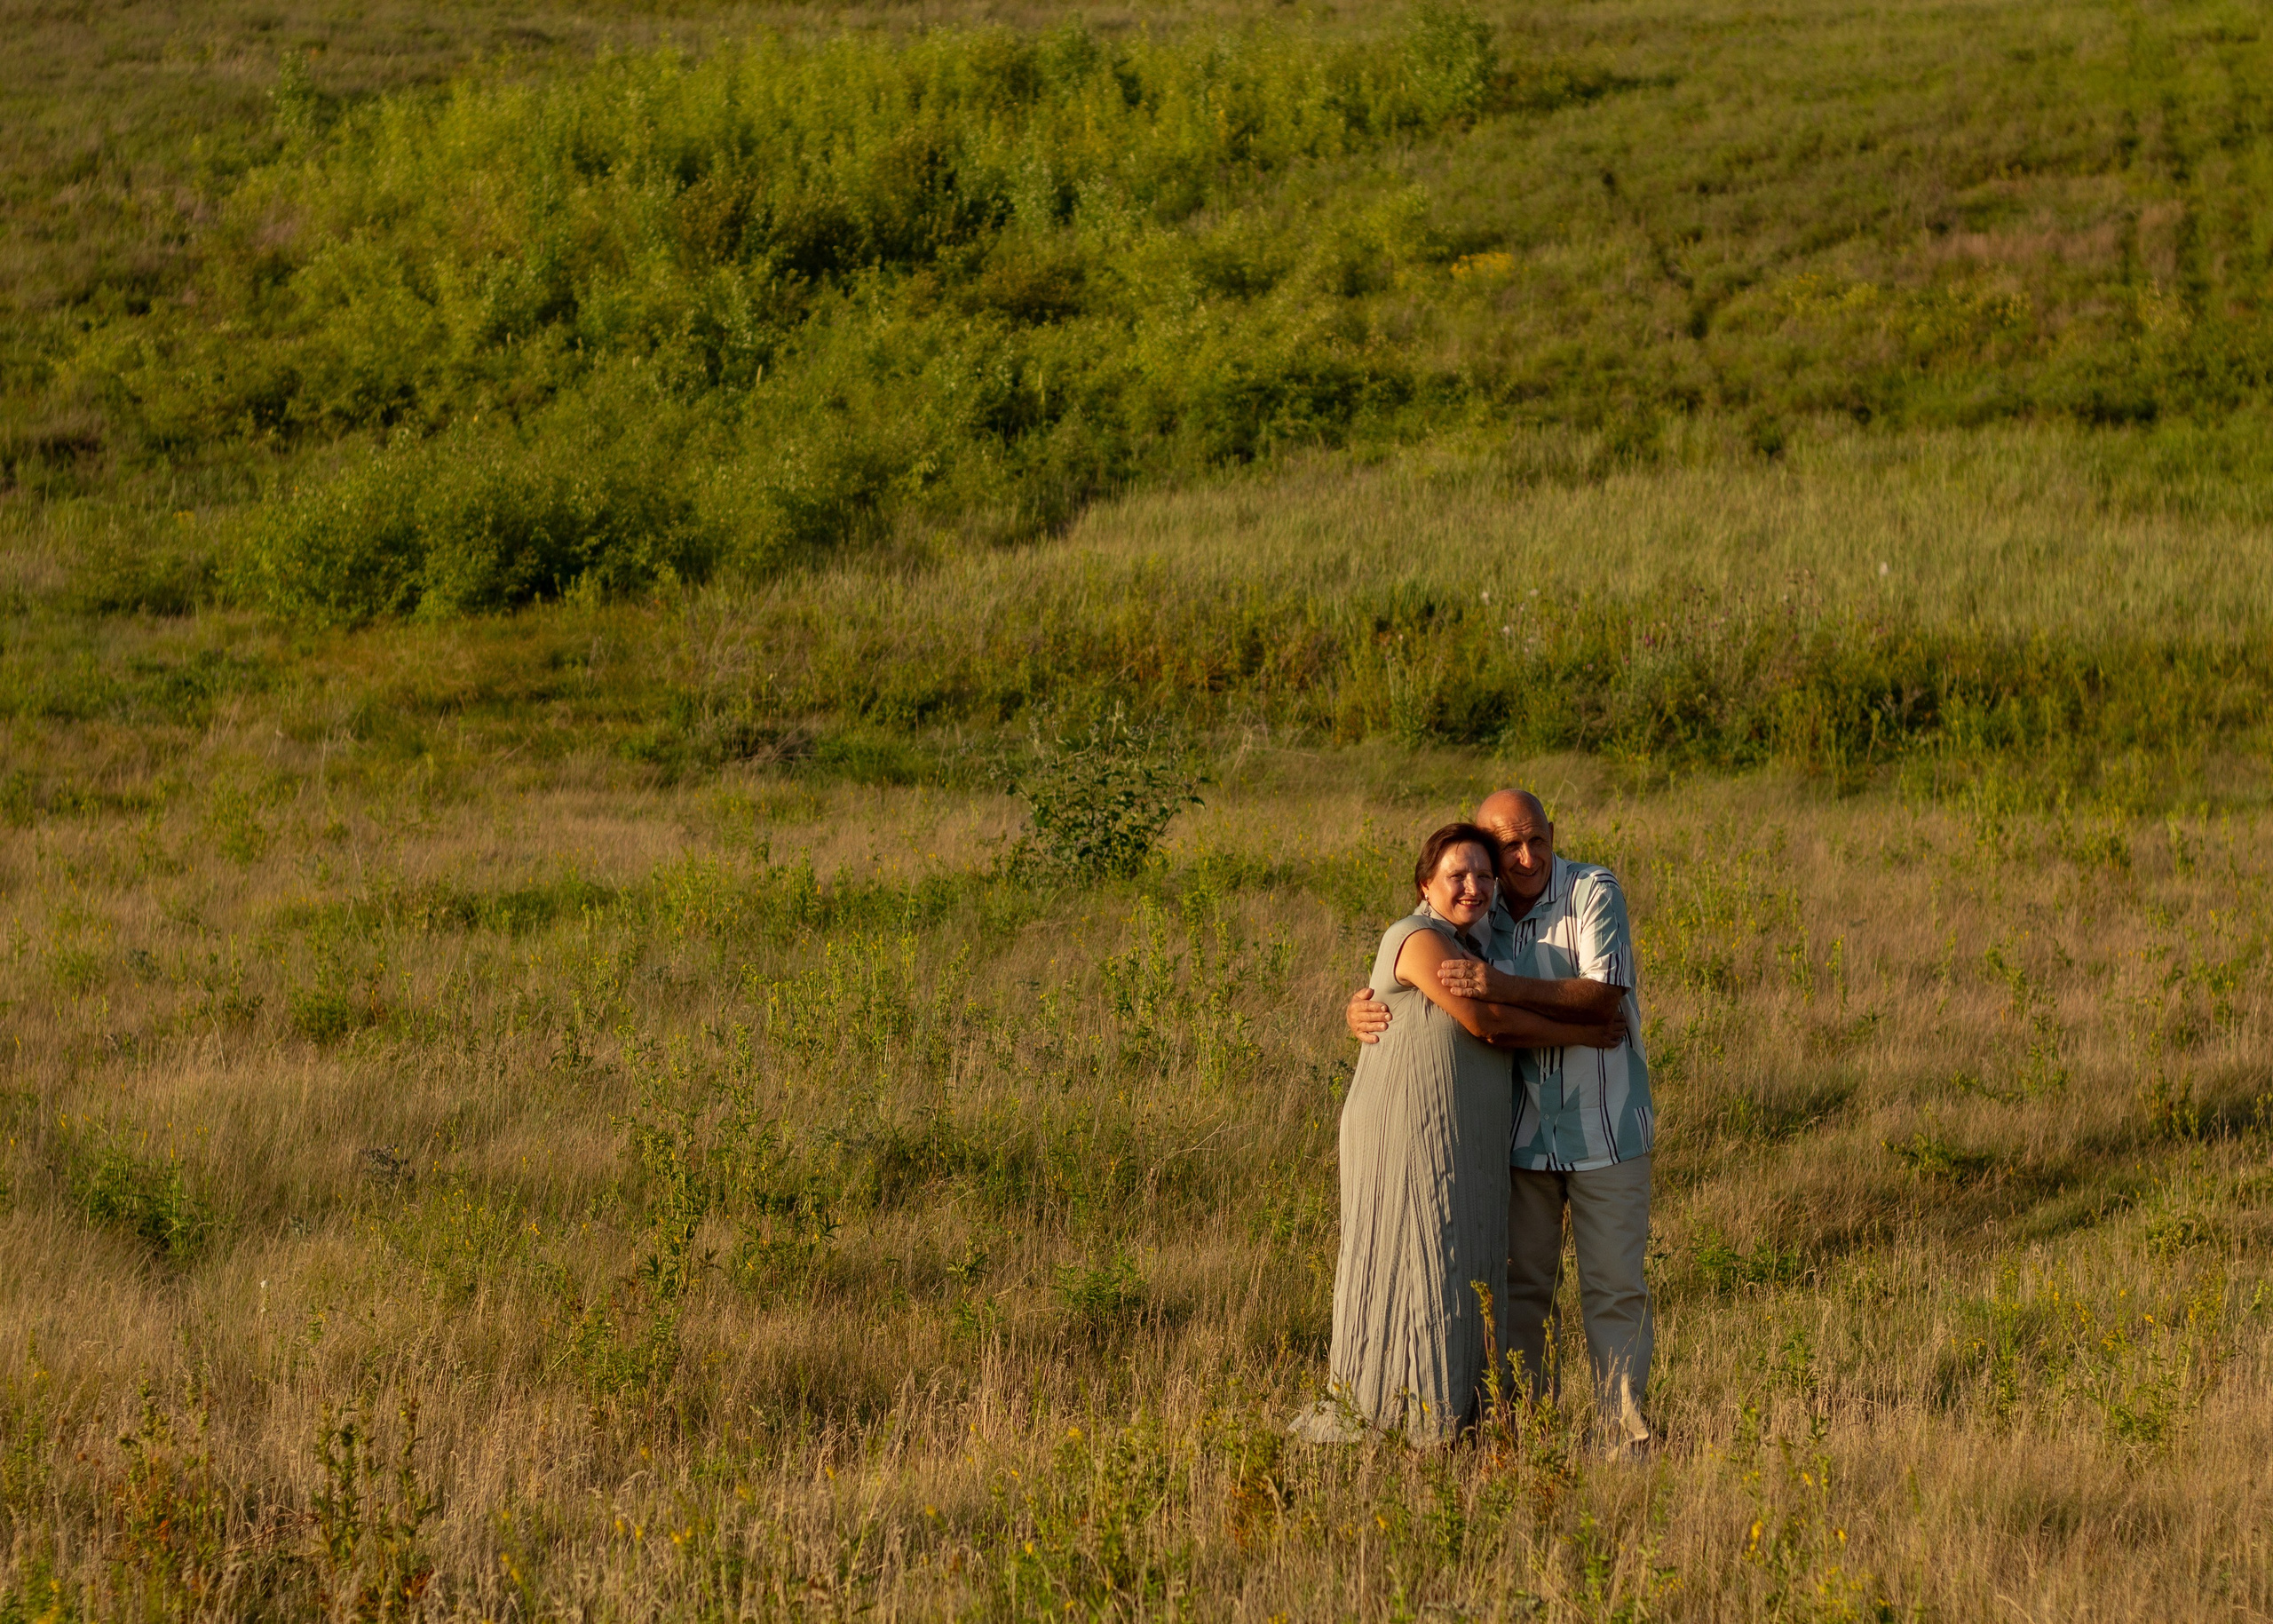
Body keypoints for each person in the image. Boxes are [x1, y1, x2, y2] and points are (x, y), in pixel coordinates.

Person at [1295, 822, 1628, 1446]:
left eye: (1483, 875)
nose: (1473, 886)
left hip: (1463, 1133)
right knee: (1413, 1257)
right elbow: (1485, 1020)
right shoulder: (1418, 936)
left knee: (1456, 1263)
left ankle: (1451, 1412)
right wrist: (1581, 1031)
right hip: (1407, 1129)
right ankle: (1396, 1414)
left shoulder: (1477, 944)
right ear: (1426, 884)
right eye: (1457, 875)